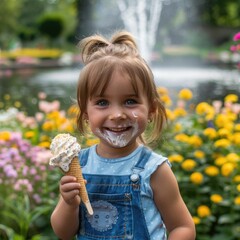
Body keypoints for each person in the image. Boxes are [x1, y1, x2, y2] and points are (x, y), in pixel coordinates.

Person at [50, 30, 196, 240]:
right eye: (102, 103)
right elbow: (63, 233)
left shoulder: (154, 170)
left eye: (130, 101)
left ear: (151, 110)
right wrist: (69, 203)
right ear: (85, 115)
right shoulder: (79, 165)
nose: (117, 114)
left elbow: (183, 227)